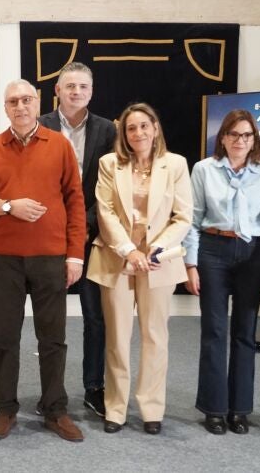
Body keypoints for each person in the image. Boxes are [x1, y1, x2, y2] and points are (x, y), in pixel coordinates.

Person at [0, 79, 86, 442]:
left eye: (26, 100)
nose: (20, 106)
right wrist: (6, 206)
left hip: (50, 256)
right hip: (3, 259)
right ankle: (5, 408)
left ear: (38, 103)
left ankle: (55, 410)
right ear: (5, 108)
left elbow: (75, 201)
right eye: (13, 101)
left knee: (53, 338)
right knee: (4, 338)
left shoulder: (59, 145)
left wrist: (75, 255)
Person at [87, 102, 192, 435]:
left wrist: (155, 251)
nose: (138, 133)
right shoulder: (109, 163)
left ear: (155, 128)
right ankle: (115, 408)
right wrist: (129, 250)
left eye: (144, 126)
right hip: (117, 257)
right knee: (117, 337)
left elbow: (183, 217)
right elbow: (105, 212)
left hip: (158, 261)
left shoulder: (175, 164)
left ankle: (151, 409)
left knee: (155, 336)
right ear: (124, 133)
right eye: (131, 128)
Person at [182, 109, 260, 435]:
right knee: (214, 331)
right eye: (234, 134)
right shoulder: (204, 170)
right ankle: (214, 408)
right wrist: (191, 264)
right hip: (213, 251)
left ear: (254, 140)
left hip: (253, 254)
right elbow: (193, 220)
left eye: (247, 135)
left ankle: (240, 409)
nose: (240, 140)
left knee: (245, 332)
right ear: (223, 137)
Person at [37, 61, 116, 417]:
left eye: (83, 86)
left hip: (92, 236)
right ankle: (50, 392)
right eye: (70, 86)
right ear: (57, 90)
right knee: (49, 321)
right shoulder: (39, 125)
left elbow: (112, 188)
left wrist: (85, 225)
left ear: (91, 91)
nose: (76, 92)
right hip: (48, 235)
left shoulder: (108, 130)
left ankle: (93, 387)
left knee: (95, 318)